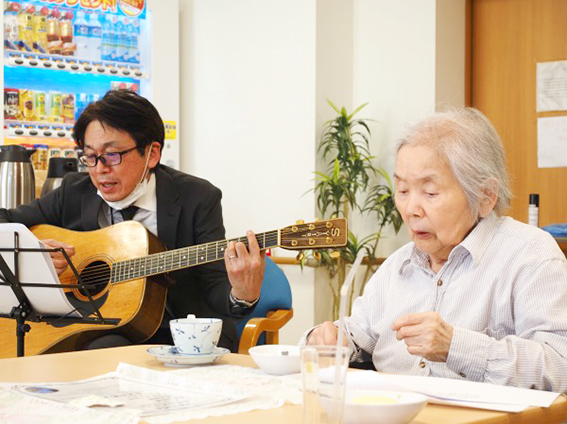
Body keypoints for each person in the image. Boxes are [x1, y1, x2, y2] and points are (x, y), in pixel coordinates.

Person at [306, 107, 567, 392]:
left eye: (430, 193)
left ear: (485, 197)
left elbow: (559, 365)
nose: (410, 210)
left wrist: (456, 346)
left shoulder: (530, 255)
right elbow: (356, 334)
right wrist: (329, 339)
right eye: (403, 191)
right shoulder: (397, 266)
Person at [0, 89, 265, 351]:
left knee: (105, 349)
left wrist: (243, 294)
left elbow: (215, 288)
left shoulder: (197, 198)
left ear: (152, 154)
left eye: (112, 155)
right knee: (101, 347)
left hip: (180, 336)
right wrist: (32, 251)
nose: (100, 169)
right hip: (89, 330)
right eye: (90, 156)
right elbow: (6, 222)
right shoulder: (75, 192)